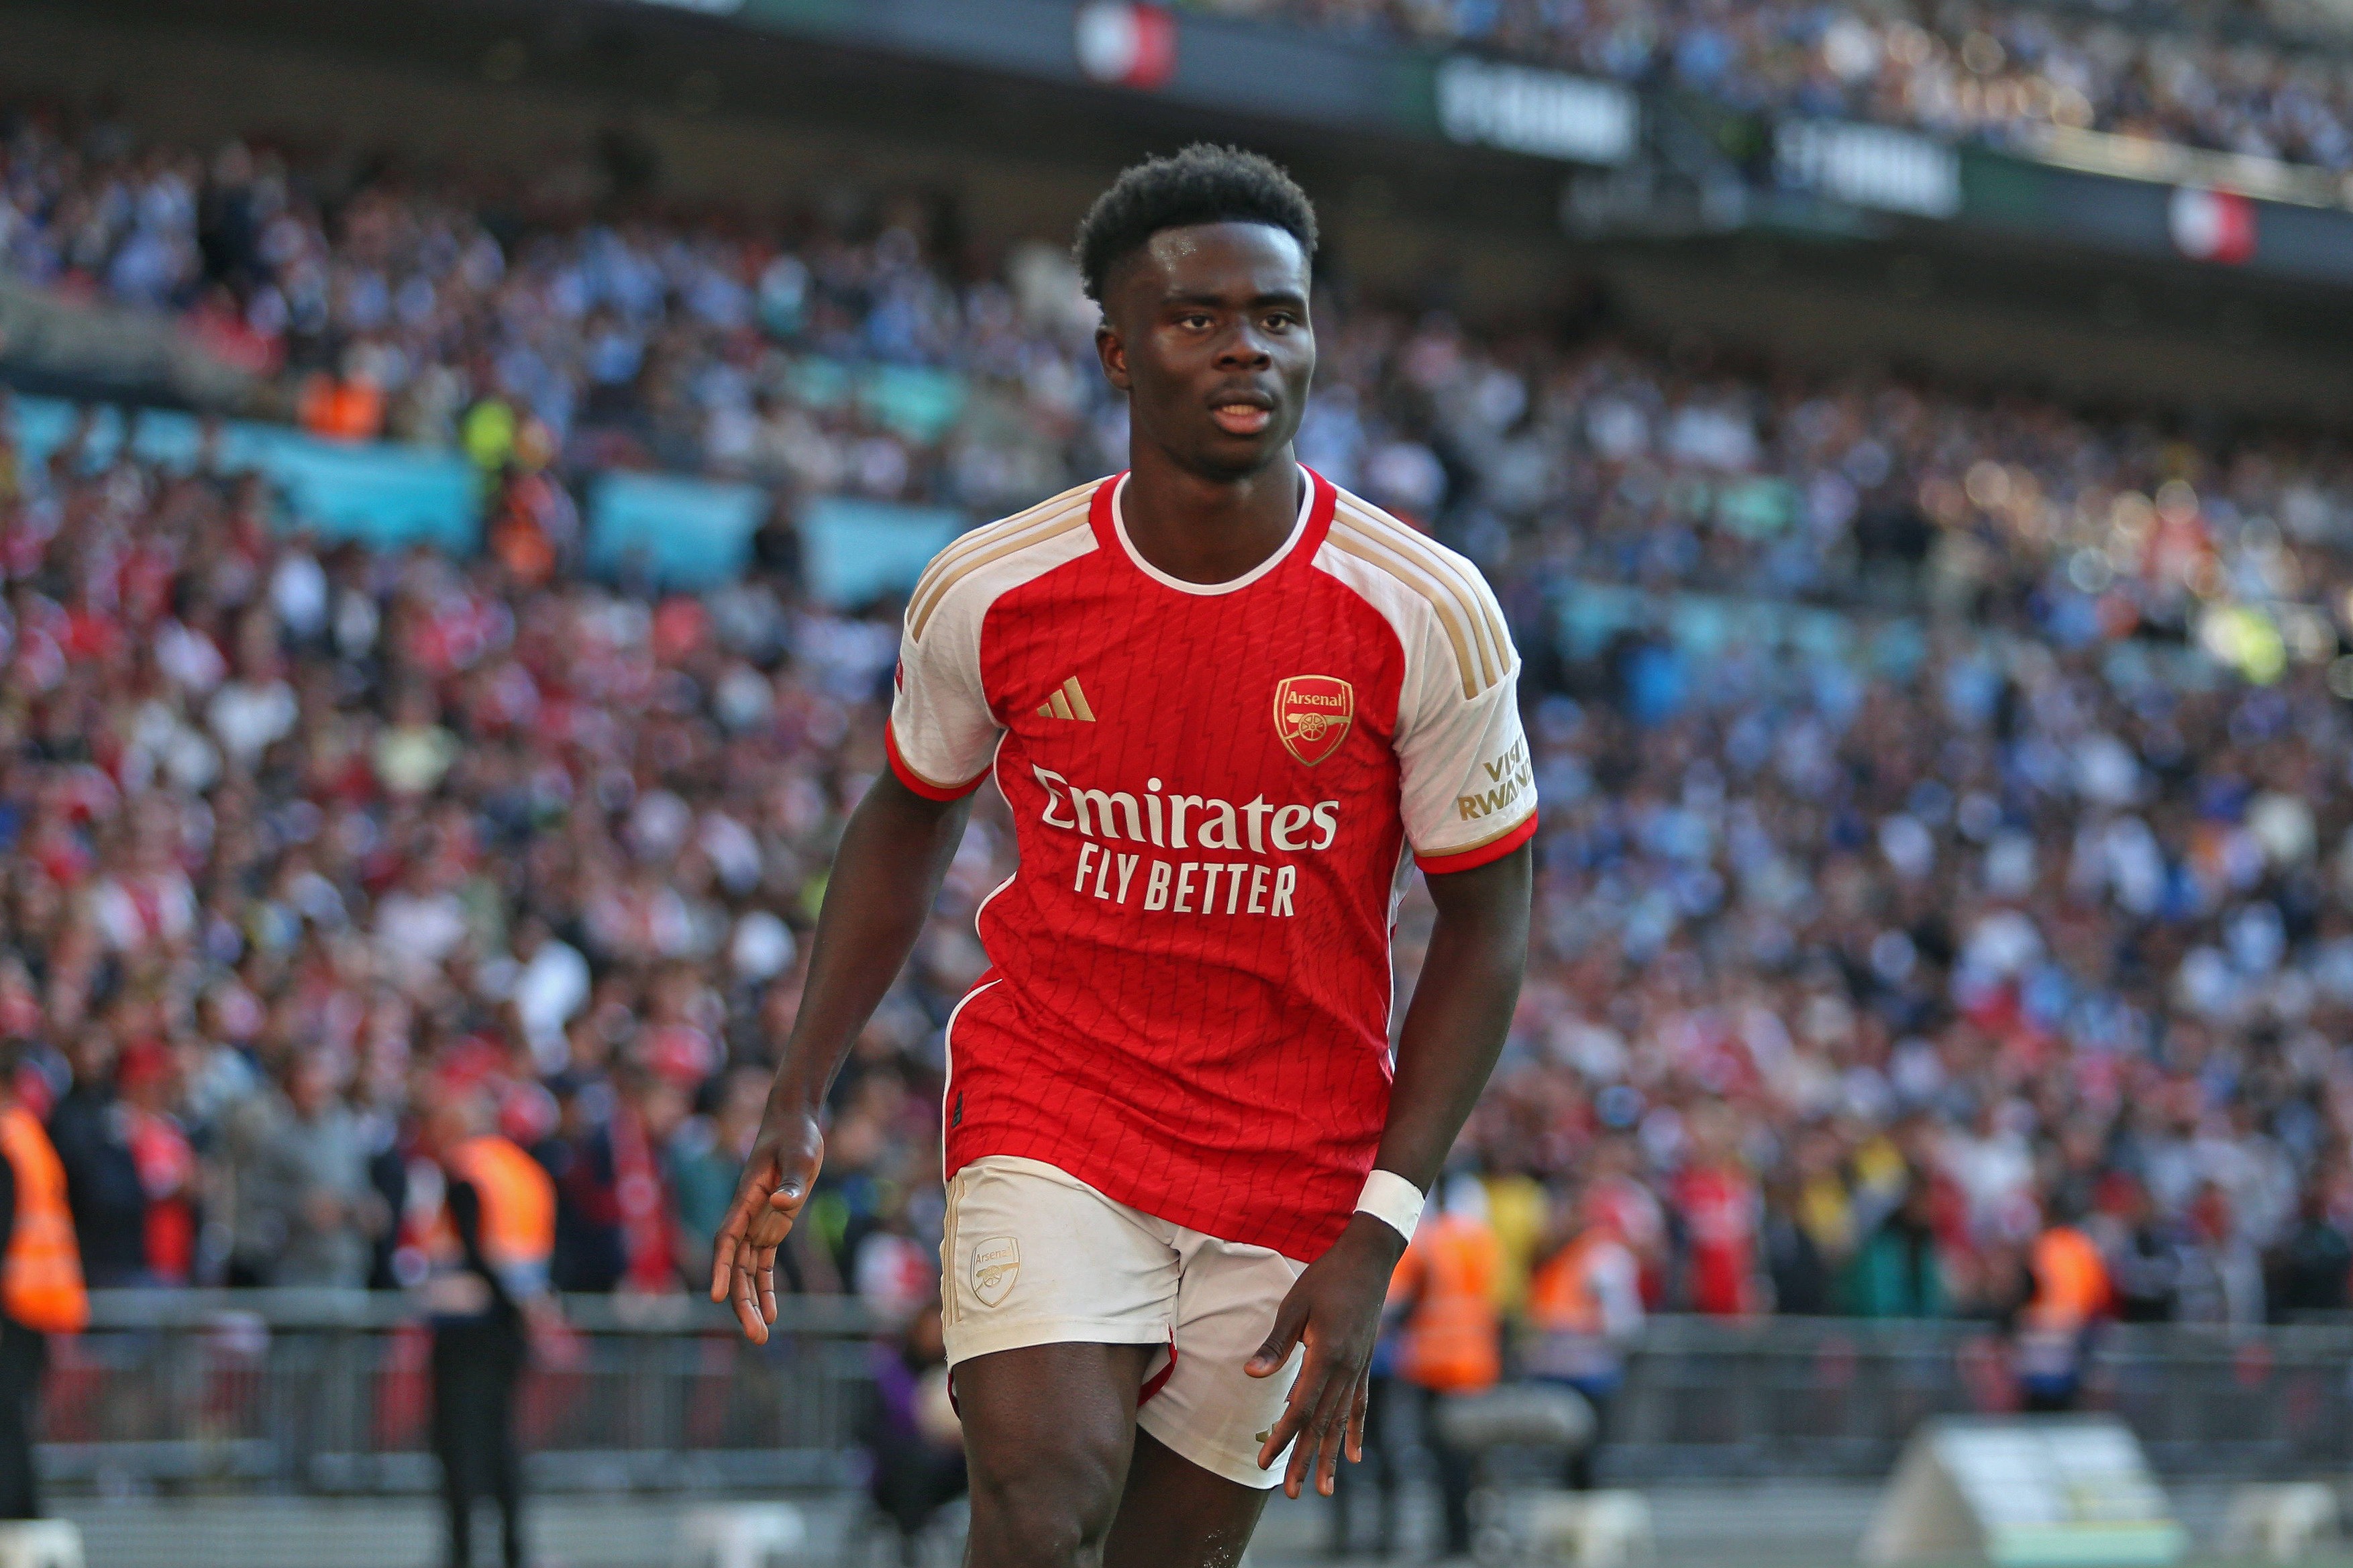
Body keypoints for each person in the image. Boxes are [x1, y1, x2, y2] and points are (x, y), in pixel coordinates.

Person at [712, 144, 1535, 1568]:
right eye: (1197, 316)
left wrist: (1381, 1223)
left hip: (1294, 1155)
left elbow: (1487, 922)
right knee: (1039, 1501)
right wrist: (801, 1083)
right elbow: (906, 814)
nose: (1245, 348)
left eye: (1276, 316)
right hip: (1058, 1109)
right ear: (1114, 350)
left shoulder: (1426, 610)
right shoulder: (995, 587)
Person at [416, 1090, 555, 1568]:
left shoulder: (467, 1169)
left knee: (460, 1446)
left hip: (467, 1327)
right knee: (502, 1442)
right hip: (511, 1328)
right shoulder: (526, 1174)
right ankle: (514, 1550)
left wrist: (497, 1294)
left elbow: (476, 1251)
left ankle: (462, 1553)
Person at [1390, 1175, 1506, 1559]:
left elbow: (1398, 1304)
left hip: (1434, 1367)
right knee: (1475, 1460)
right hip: (1475, 1366)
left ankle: (1453, 1540)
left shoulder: (1428, 1242)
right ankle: (1474, 1536)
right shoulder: (1486, 1243)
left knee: (1444, 1462)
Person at [0, 1041, 86, 1519]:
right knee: (15, 1417)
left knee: (6, 1418)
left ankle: (14, 1515)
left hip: (13, 1305)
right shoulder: (27, 1136)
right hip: (38, 1300)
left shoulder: (6, 1139)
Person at [1525, 1185, 1643, 1490]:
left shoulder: (1600, 1254)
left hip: (1590, 1370)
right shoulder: (1561, 1254)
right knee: (1564, 1457)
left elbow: (1620, 1317)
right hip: (1561, 1368)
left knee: (1586, 1456)